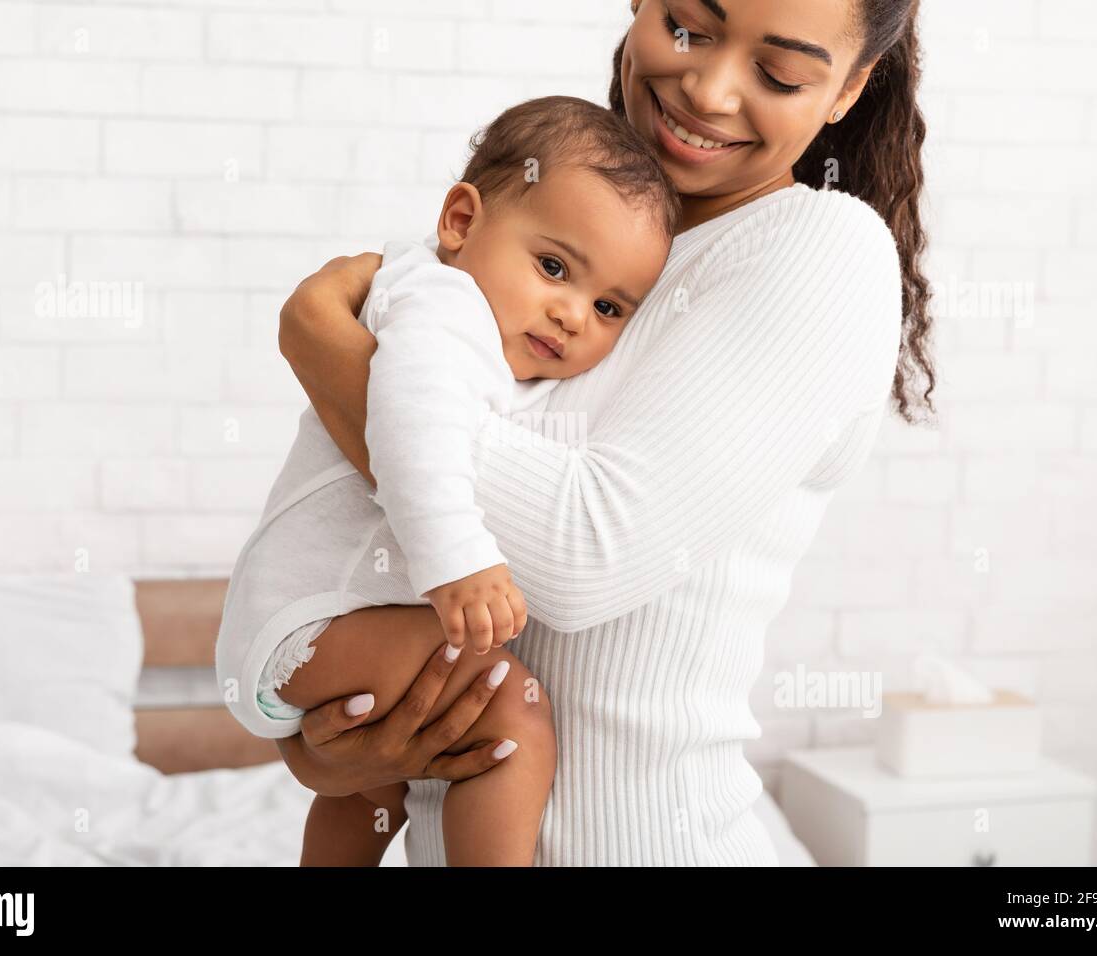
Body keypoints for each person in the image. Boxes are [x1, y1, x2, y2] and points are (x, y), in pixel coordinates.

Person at [275, 0, 936, 866]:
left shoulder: (820, 248)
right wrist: (325, 739)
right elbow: (372, 553)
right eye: (689, 26)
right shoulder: (576, 237)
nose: (709, 87)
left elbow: (584, 555)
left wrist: (326, 349)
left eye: (778, 73)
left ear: (848, 90)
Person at [216, 96, 678, 865]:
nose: (570, 314)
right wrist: (460, 561)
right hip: (318, 620)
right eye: (554, 267)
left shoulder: (489, 332)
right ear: (461, 223)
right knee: (514, 718)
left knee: (371, 789)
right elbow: (409, 423)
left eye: (606, 307)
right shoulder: (444, 305)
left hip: (313, 617)